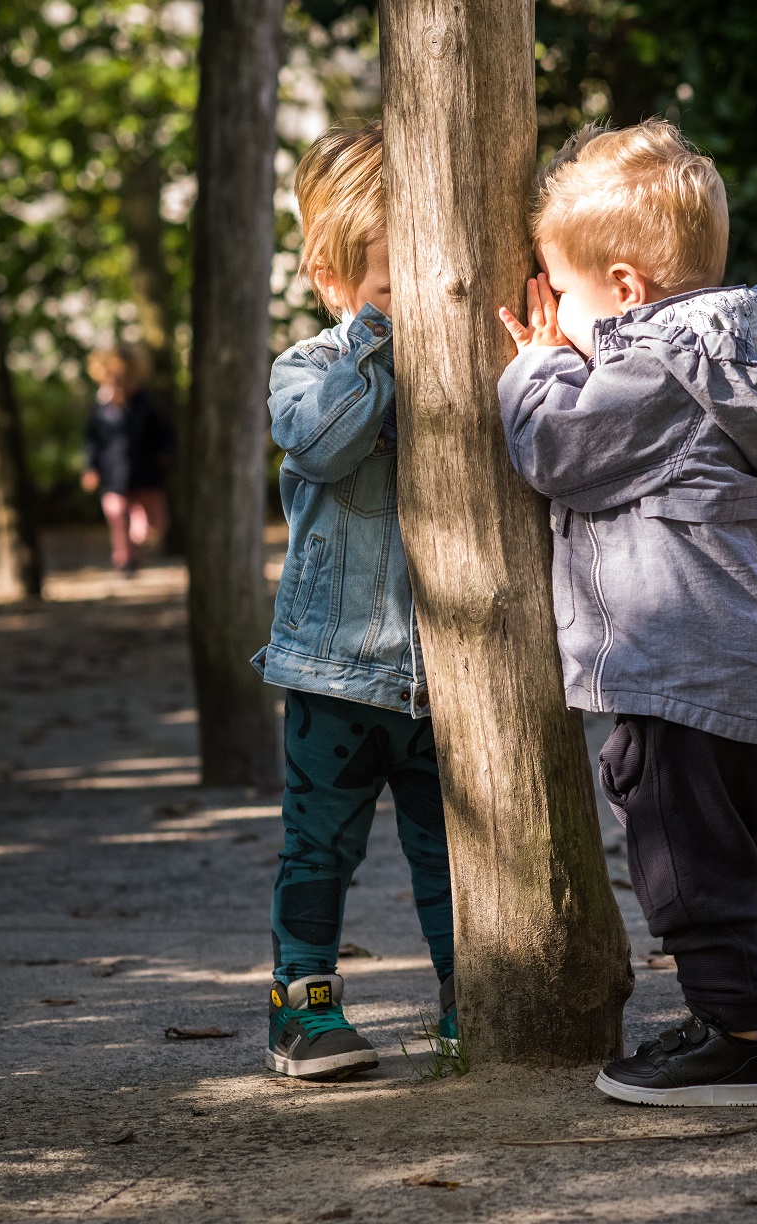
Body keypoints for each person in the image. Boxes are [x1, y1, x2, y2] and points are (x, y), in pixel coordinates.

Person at [496, 119, 757, 1107]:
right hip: (756, 672)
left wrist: (537, 364)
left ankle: (727, 1044)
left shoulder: (660, 369)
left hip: (684, 670)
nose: (556, 313)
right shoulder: (743, 360)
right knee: (740, 868)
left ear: (626, 289)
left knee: (687, 868)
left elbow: (561, 452)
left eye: (563, 293)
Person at [250, 119, 459, 1081]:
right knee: (319, 849)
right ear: (330, 281)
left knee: (449, 853)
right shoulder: (305, 370)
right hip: (335, 673)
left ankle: (469, 997)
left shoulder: (456, 358)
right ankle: (303, 1006)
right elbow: (326, 446)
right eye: (386, 289)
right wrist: (377, 341)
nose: (410, 308)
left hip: (440, 678)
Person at [81, 347, 173, 574]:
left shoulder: (148, 405)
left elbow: (166, 434)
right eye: (114, 378)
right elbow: (93, 443)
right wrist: (91, 468)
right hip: (113, 476)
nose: (120, 384)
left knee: (153, 523)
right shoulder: (101, 410)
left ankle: (136, 546)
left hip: (146, 475)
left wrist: (167, 453)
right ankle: (125, 560)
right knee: (117, 516)